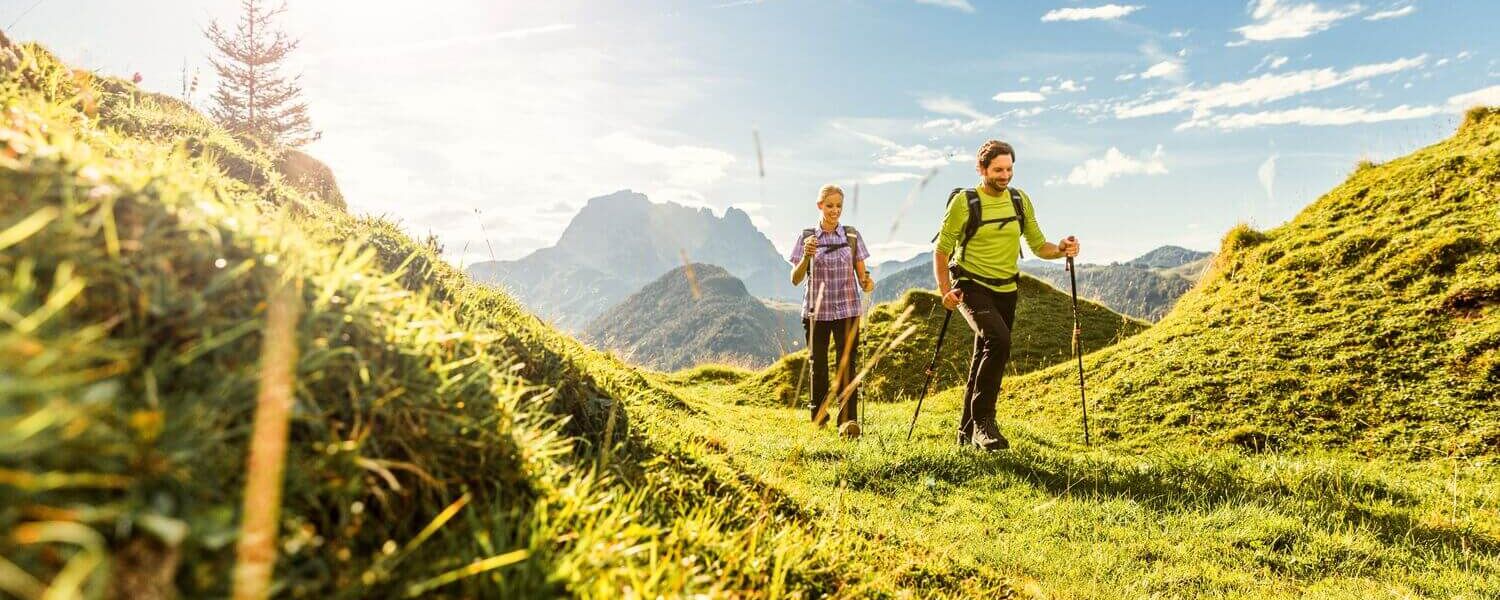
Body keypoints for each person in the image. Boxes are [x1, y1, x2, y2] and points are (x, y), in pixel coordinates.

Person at [933, 140, 1080, 451]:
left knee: (983, 355)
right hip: (971, 285)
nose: (1005, 175)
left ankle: (965, 434)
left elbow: (1039, 245)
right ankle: (984, 423)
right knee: (998, 341)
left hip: (1006, 290)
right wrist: (945, 291)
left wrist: (1061, 249)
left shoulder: (1019, 200)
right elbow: (942, 250)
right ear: (981, 169)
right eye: (998, 170)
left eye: (1009, 169)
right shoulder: (964, 202)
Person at [790, 184, 875, 439]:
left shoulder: (852, 236)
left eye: (838, 206)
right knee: (818, 366)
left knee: (847, 365)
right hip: (816, 313)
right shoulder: (807, 237)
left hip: (848, 310)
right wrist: (806, 256)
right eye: (829, 206)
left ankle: (848, 421)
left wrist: (867, 283)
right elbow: (795, 279)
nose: (834, 210)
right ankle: (819, 416)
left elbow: (863, 277)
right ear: (820, 206)